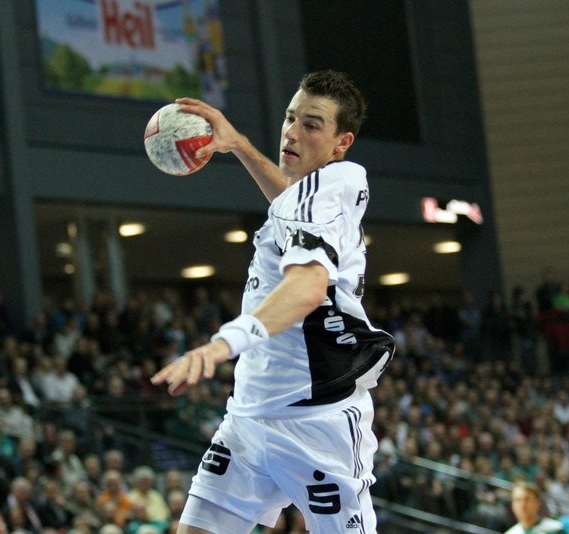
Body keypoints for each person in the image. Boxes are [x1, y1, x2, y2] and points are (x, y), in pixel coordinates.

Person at [151, 69, 395, 533]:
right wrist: (241, 146)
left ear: (342, 142)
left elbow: (307, 288)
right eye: (290, 117)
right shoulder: (314, 194)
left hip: (315, 422)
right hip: (248, 416)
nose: (292, 132)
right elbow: (290, 206)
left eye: (311, 124)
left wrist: (220, 346)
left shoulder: (325, 190)